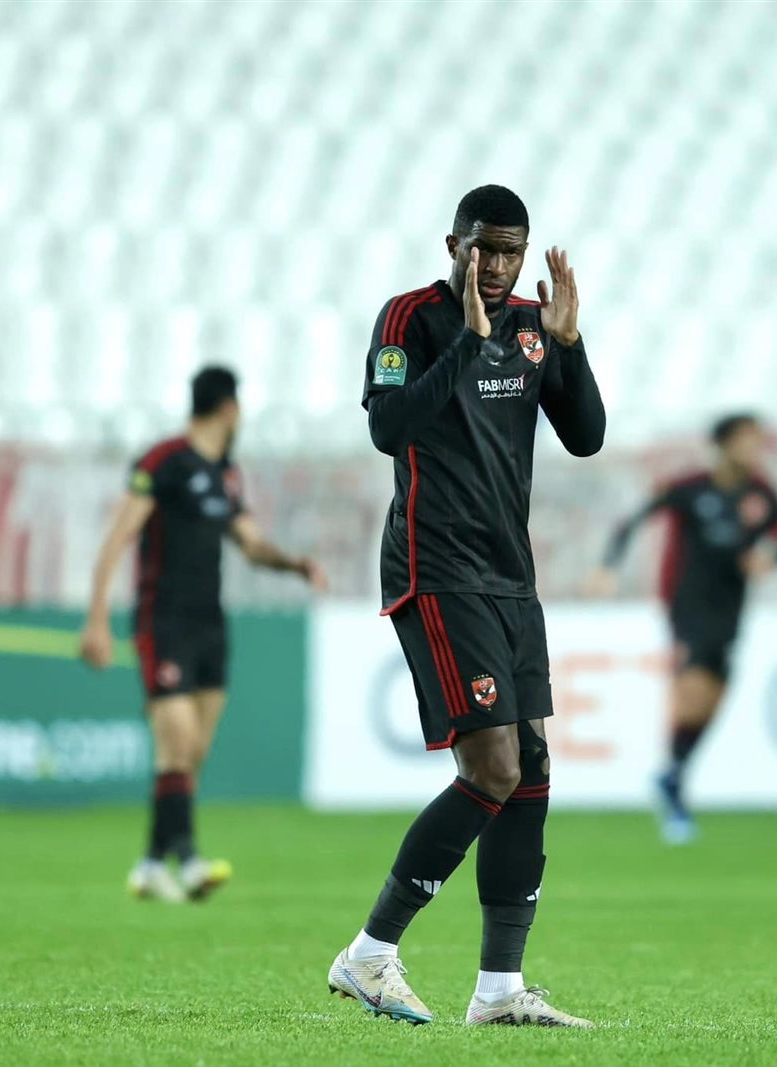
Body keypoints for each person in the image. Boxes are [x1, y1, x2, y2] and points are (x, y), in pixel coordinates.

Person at [325, 185, 605, 1028]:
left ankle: (499, 988)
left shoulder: (532, 327)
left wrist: (570, 346)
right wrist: (469, 347)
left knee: (530, 769)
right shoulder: (410, 319)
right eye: (484, 248)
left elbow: (586, 435)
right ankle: (369, 953)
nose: (498, 265)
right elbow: (389, 428)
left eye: (513, 251)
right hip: (436, 567)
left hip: (510, 576)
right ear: (454, 244)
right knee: (491, 767)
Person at [80, 366, 325, 903]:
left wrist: (294, 565)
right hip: (162, 621)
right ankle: (189, 860)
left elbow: (251, 544)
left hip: (210, 625)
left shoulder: (226, 474)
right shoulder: (162, 461)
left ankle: (151, 863)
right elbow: (118, 537)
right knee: (178, 741)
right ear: (230, 409)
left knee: (190, 753)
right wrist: (97, 619)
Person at [587, 413, 777, 844]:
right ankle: (674, 780)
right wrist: (608, 567)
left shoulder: (763, 492)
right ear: (723, 444)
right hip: (687, 605)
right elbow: (632, 520)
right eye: (747, 440)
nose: (755, 448)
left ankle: (673, 774)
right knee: (693, 689)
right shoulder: (690, 487)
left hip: (731, 609)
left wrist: (768, 557)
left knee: (713, 698)